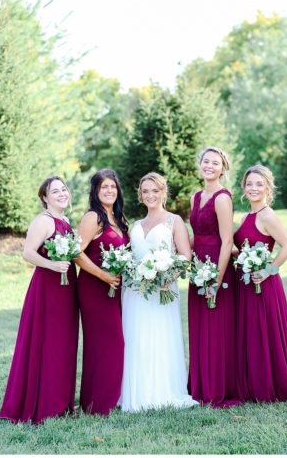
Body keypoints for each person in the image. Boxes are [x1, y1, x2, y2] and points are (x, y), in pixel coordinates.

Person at [0, 176, 79, 424]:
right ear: (45, 197)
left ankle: (61, 402)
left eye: (64, 189)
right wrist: (53, 265)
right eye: (55, 191)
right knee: (48, 343)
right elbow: (27, 253)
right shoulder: (43, 221)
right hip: (48, 289)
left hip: (67, 289)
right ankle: (43, 404)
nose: (62, 194)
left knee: (64, 344)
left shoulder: (65, 221)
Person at [119, 173, 197, 412]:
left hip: (163, 289)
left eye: (155, 190)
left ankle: (164, 392)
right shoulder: (135, 225)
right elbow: (132, 256)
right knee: (136, 338)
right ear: (140, 196)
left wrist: (167, 279)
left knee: (161, 337)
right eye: (145, 191)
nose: (150, 195)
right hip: (135, 291)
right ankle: (136, 393)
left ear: (164, 192)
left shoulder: (174, 221)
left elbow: (185, 256)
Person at [233, 165, 287, 403]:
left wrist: (267, 271)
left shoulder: (267, 215)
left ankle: (270, 384)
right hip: (247, 284)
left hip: (264, 286)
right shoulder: (249, 216)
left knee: (264, 334)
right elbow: (243, 247)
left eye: (259, 184)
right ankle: (253, 383)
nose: (253, 188)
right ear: (243, 189)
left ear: (267, 187)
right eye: (249, 184)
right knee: (252, 334)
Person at [187, 146, 241, 407]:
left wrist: (217, 282)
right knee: (200, 327)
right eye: (206, 161)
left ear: (223, 168)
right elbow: (194, 235)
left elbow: (227, 240)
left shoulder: (222, 198)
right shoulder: (195, 196)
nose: (209, 166)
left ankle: (217, 388)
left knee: (216, 329)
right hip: (197, 265)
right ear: (200, 164)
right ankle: (200, 385)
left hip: (216, 266)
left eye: (215, 163)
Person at [73, 169, 127, 415]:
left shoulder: (116, 216)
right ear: (95, 191)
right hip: (94, 287)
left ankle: (99, 399)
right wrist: (103, 275)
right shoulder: (93, 217)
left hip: (114, 289)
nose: (109, 191)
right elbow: (76, 253)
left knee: (108, 343)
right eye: (104, 187)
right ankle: (99, 403)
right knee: (108, 342)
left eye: (113, 187)